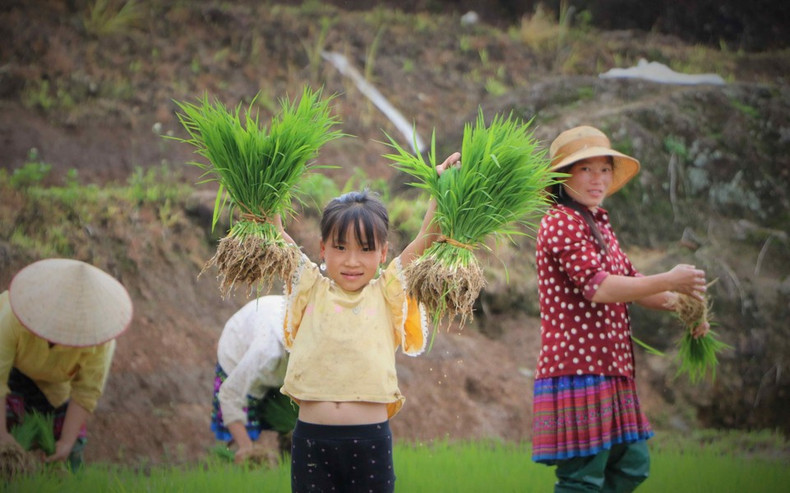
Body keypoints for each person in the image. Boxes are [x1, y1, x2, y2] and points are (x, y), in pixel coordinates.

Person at [531, 126, 709, 492]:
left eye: (605, 169)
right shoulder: (559, 222)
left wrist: (686, 308)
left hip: (612, 368)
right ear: (563, 177)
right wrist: (669, 279)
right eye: (586, 169)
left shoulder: (597, 222)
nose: (598, 179)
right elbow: (600, 287)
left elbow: (632, 283)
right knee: (582, 478)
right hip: (579, 369)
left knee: (632, 465)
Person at [272, 151, 461, 492]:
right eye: (340, 247)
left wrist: (440, 188)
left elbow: (426, 241)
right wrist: (262, 187)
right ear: (322, 249)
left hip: (369, 442)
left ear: (384, 253)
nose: (352, 261)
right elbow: (276, 233)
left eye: (365, 249)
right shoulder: (310, 287)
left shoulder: (387, 292)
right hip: (312, 442)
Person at [0, 258, 133, 470]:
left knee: (68, 457)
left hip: (57, 388)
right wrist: (2, 435)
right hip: (12, 374)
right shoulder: (11, 316)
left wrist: (66, 442)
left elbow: (86, 392)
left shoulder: (100, 340)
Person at [211, 295, 292, 463]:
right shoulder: (264, 352)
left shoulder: (320, 345)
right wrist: (247, 448)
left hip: (271, 319)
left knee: (293, 420)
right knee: (245, 432)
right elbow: (230, 394)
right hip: (238, 353)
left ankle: (291, 453)